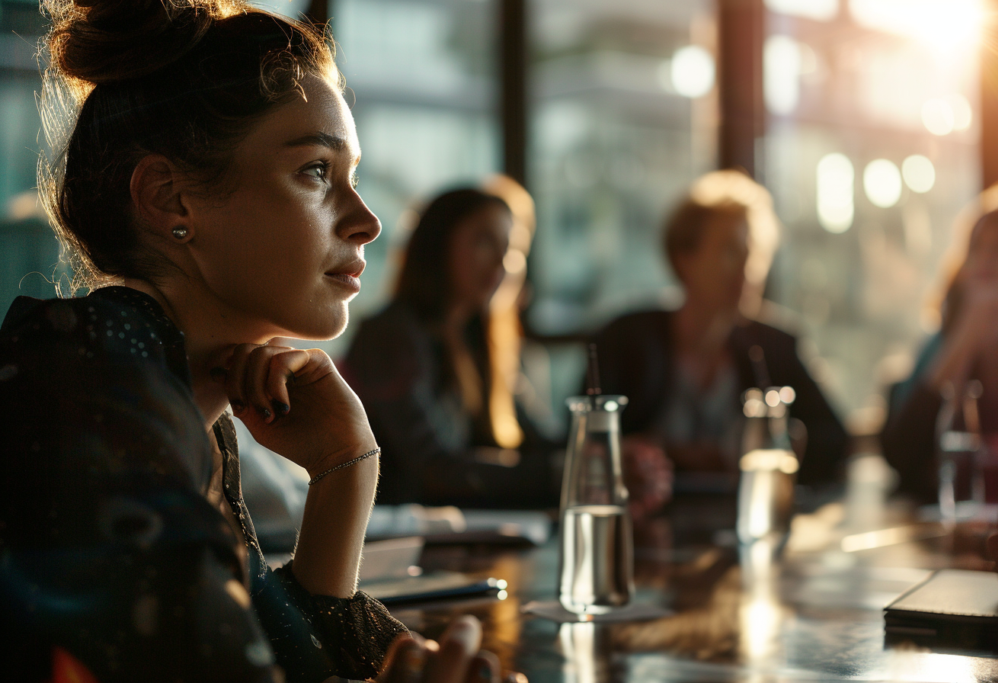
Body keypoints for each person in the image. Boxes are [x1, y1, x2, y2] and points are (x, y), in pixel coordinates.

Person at [0, 2, 507, 681]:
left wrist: (345, 469)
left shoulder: (184, 400)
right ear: (169, 199)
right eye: (316, 172)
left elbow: (281, 655)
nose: (367, 221)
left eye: (352, 177)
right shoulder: (87, 382)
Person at [592, 170, 848, 491]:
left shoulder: (775, 345)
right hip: (645, 516)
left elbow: (834, 442)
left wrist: (773, 448)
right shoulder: (625, 340)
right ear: (684, 258)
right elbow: (585, 445)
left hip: (748, 514)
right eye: (730, 251)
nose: (747, 269)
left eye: (754, 253)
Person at [342, 187, 559, 508]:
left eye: (510, 248)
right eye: (484, 241)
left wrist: (602, 449)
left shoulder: (477, 337)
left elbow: (535, 438)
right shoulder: (391, 335)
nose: (502, 262)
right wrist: (560, 473)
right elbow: (430, 470)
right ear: (437, 244)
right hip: (405, 530)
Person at [882, 183, 998, 501]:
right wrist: (965, 337)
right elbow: (900, 453)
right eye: (977, 248)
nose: (986, 260)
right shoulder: (943, 341)